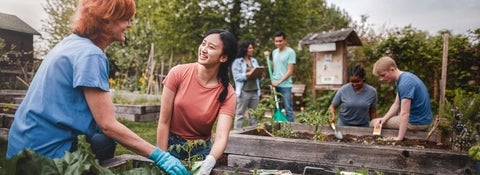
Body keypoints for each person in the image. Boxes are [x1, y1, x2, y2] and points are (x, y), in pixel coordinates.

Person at [6, 0, 189, 174]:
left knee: (103, 140)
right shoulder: (90, 55)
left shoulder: (70, 43)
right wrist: (159, 155)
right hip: (44, 158)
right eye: (126, 19)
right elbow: (108, 124)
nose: (129, 25)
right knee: (106, 137)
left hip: (21, 147)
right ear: (107, 20)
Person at [156, 29, 237, 175]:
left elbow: (221, 137)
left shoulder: (228, 93)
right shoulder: (178, 73)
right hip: (170, 145)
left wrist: (210, 161)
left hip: (201, 151)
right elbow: (163, 121)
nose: (204, 49)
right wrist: (162, 156)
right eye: (203, 44)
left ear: (223, 57)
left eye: (211, 47)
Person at [369, 56, 432, 141]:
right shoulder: (404, 78)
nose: (381, 79)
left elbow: (405, 113)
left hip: (417, 122)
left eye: (383, 75)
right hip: (420, 119)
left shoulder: (405, 84)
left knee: (373, 123)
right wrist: (383, 119)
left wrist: (399, 137)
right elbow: (396, 104)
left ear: (392, 69)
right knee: (379, 121)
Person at [231, 41, 263, 129]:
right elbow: (237, 77)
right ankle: (237, 134)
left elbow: (258, 77)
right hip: (243, 92)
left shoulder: (254, 61)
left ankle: (253, 133)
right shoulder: (237, 62)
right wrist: (247, 75)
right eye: (250, 48)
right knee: (240, 114)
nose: (252, 50)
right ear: (245, 49)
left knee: (254, 115)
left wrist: (261, 76)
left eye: (252, 48)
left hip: (255, 91)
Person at [267, 31, 296, 122]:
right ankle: (277, 127)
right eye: (276, 41)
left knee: (288, 108)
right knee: (276, 107)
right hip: (275, 84)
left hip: (285, 85)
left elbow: (290, 71)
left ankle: (291, 130)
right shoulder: (274, 52)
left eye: (280, 41)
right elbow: (276, 68)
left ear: (285, 41)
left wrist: (278, 82)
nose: (278, 43)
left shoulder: (290, 52)